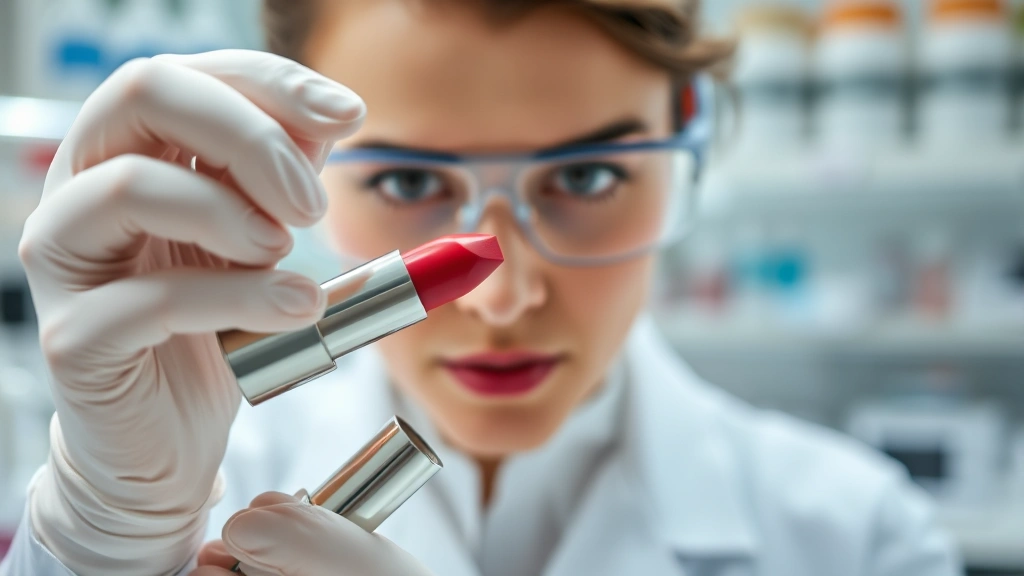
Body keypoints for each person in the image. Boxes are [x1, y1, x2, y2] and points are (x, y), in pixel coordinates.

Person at [0, 1, 963, 575]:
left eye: (587, 177)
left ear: (689, 149)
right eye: (405, 182)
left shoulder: (862, 537)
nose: (501, 302)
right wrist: (106, 540)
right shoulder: (208, 477)